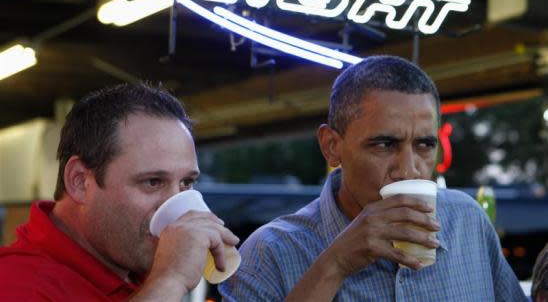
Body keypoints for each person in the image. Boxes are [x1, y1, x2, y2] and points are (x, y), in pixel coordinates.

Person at [220, 55, 526, 301]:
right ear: (331, 146)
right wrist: (335, 265)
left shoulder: (466, 222)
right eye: (384, 144)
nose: (408, 169)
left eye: (425, 145)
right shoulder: (270, 253)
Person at [0, 83, 239, 301]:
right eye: (153, 182)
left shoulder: (132, 267)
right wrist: (169, 280)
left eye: (187, 182)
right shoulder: (14, 284)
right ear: (79, 181)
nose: (177, 203)